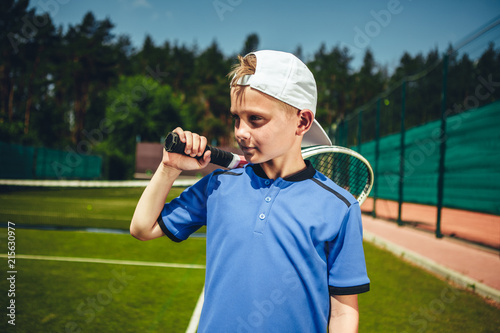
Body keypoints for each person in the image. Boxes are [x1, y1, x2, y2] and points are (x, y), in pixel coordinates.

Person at [130, 50, 370, 332]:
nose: (240, 132)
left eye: (255, 119)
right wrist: (169, 167)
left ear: (302, 122)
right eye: (237, 118)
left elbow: (343, 313)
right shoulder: (218, 185)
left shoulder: (340, 207)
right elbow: (142, 228)